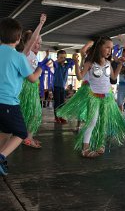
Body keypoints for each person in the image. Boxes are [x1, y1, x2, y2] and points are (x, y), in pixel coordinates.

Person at [72, 36, 125, 158]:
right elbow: (80, 77)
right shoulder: (90, 62)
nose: (109, 50)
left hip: (107, 97)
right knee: (92, 121)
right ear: (99, 47)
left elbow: (113, 78)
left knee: (103, 122)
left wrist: (120, 65)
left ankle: (99, 144)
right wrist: (76, 63)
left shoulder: (108, 63)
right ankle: (85, 148)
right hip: (93, 96)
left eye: (111, 48)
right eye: (107, 47)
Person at [0, 18, 42, 175]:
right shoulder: (18, 57)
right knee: (21, 133)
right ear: (18, 39)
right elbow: (31, 79)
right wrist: (39, 71)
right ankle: (1, 156)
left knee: (4, 132)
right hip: (9, 103)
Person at [17, 14, 47, 148]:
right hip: (26, 87)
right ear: (28, 42)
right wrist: (40, 24)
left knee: (31, 113)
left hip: (32, 87)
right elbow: (32, 39)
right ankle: (27, 138)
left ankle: (28, 137)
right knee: (34, 113)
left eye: (40, 43)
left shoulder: (33, 55)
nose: (39, 45)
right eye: (37, 42)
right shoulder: (26, 52)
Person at [56, 41, 94, 132]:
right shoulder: (85, 62)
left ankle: (88, 127)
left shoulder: (95, 63)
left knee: (90, 108)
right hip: (85, 88)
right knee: (81, 108)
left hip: (92, 89)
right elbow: (80, 72)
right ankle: (78, 126)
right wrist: (79, 60)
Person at [53, 50, 74, 124]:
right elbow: (54, 62)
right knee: (57, 102)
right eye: (61, 57)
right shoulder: (56, 65)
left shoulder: (66, 65)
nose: (63, 59)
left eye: (64, 57)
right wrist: (59, 60)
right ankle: (56, 117)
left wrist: (66, 59)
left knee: (62, 103)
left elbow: (72, 61)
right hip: (55, 87)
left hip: (62, 87)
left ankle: (61, 116)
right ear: (57, 58)